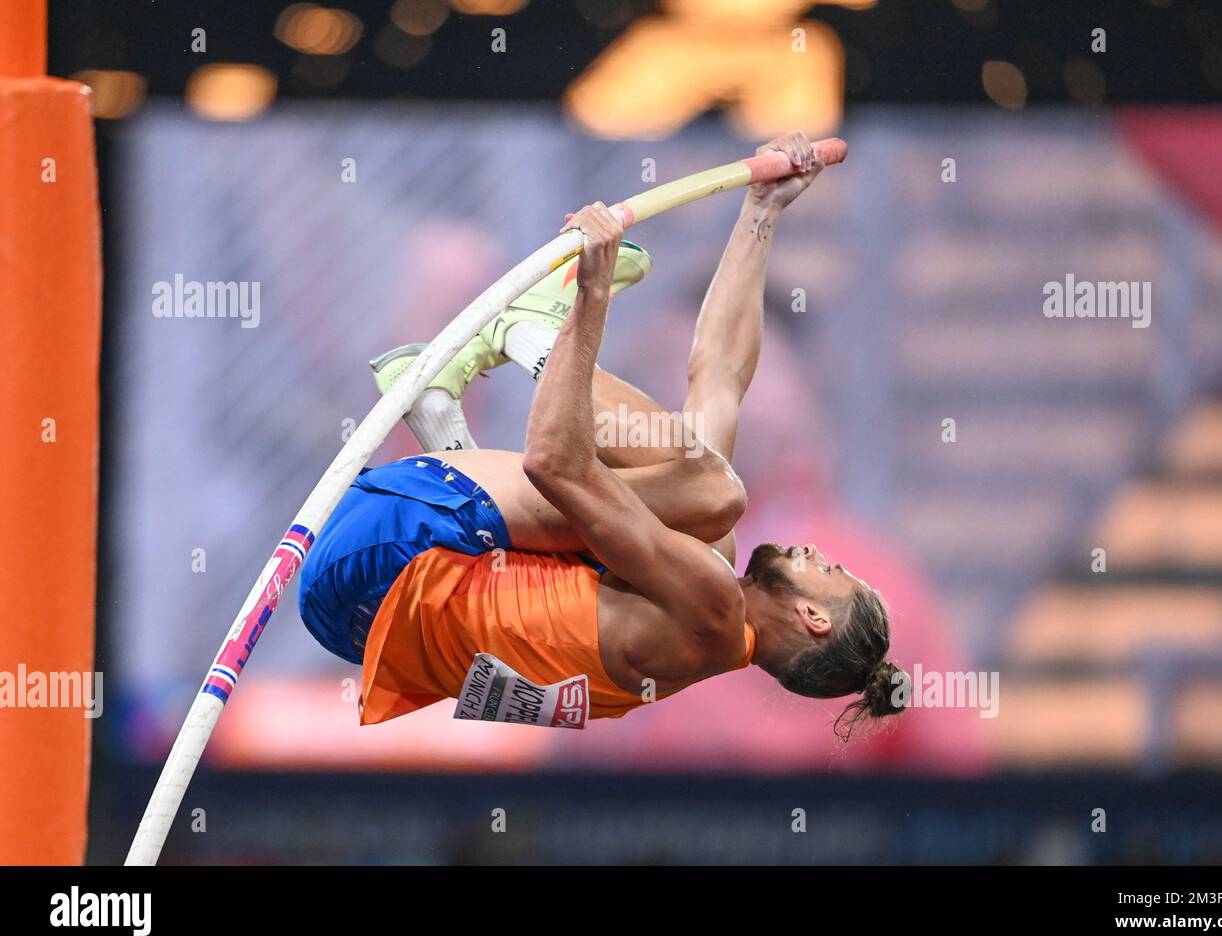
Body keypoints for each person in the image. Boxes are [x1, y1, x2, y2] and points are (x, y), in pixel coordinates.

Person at [298, 132, 903, 738]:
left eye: (832, 571)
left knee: (716, 491)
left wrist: (590, 295)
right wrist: (761, 211)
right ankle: (438, 412)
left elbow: (554, 464)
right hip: (356, 609)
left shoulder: (710, 609)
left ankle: (530, 330)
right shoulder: (692, 625)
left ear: (812, 618)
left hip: (389, 550)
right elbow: (719, 376)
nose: (818, 557)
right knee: (704, 494)